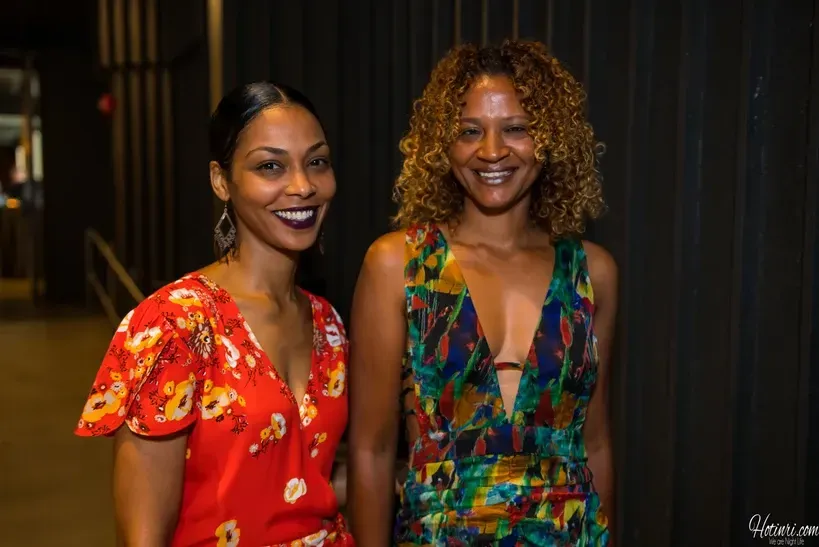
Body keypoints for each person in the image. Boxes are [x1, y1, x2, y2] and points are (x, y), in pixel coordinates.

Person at [348, 40, 617, 546]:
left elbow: (595, 443)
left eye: (516, 129)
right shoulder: (398, 264)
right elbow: (371, 451)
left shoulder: (592, 271)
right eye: (469, 131)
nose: (492, 151)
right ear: (441, 145)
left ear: (551, 138)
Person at [75, 82, 354, 546]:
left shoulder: (327, 322)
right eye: (270, 166)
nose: (303, 185)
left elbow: (299, 482)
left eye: (317, 162)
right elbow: (143, 537)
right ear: (221, 181)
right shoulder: (173, 325)